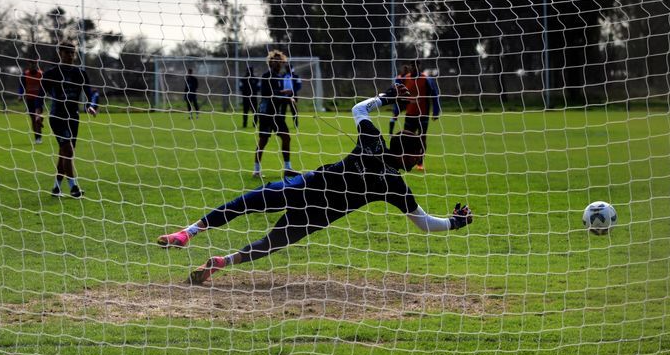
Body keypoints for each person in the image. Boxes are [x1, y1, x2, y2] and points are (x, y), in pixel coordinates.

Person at [157, 83, 473, 285]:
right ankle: (221, 263)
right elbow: (425, 224)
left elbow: (358, 109)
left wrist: (387, 96)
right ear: (408, 155)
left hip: (306, 186)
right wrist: (455, 222)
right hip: (318, 215)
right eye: (419, 153)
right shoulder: (394, 185)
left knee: (246, 203)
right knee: (271, 243)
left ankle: (188, 233)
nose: (420, 157)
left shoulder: (374, 140)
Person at [43, 41, 99, 198]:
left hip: (73, 117)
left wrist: (90, 105)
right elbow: (40, 94)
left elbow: (89, 93)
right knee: (67, 150)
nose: (70, 55)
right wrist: (37, 112)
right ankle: (74, 188)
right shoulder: (51, 73)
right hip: (57, 117)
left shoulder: (80, 73)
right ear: (60, 53)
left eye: (72, 52)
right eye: (67, 52)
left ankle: (56, 188)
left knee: (65, 153)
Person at [253, 50, 297, 178]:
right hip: (266, 113)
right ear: (270, 62)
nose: (278, 62)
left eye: (280, 60)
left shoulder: (280, 77)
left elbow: (277, 94)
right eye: (275, 60)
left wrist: (288, 97)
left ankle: (287, 168)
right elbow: (268, 93)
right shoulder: (266, 76)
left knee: (286, 137)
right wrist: (285, 94)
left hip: (276, 113)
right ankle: (256, 170)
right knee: (263, 140)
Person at [401, 60, 441, 171]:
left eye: (416, 65)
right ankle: (405, 161)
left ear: (419, 66)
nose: (414, 67)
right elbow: (400, 95)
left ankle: (420, 162)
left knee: (421, 139)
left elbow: (435, 95)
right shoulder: (405, 79)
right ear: (410, 66)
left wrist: (436, 111)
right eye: (412, 65)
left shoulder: (426, 79)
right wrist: (397, 110)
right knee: (406, 139)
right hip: (409, 114)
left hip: (423, 115)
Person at [19, 58, 46, 143]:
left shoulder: (41, 74)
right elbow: (21, 86)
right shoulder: (25, 75)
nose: (33, 65)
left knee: (37, 117)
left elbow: (45, 85)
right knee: (33, 118)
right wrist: (20, 95)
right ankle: (37, 137)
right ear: (28, 65)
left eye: (34, 64)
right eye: (31, 64)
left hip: (39, 99)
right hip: (29, 99)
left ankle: (39, 137)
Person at [388, 64, 411, 136]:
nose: (405, 71)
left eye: (406, 70)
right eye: (404, 70)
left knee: (410, 116)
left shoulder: (410, 78)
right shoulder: (399, 78)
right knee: (394, 116)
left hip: (408, 100)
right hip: (399, 100)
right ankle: (390, 132)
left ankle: (409, 132)